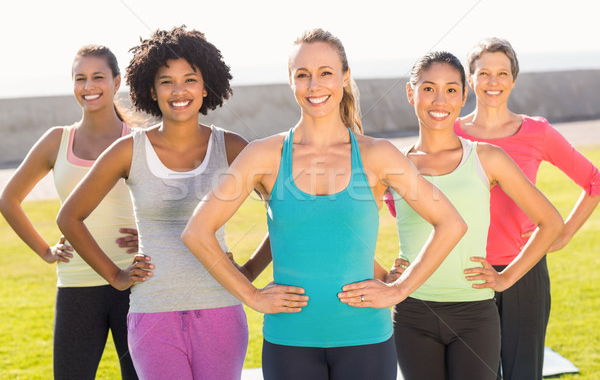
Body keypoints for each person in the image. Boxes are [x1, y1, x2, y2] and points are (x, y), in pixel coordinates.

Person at [181, 28, 468, 380]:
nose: (314, 85)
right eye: (303, 75)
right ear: (291, 81)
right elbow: (197, 231)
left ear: (345, 78)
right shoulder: (264, 155)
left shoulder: (377, 155)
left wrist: (400, 289)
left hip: (365, 338)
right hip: (289, 341)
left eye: (326, 72)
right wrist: (252, 296)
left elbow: (451, 223)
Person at [56, 26, 270, 380]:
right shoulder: (129, 150)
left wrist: (249, 271)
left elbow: (283, 212)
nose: (179, 91)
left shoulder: (231, 147)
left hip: (221, 309)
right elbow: (70, 217)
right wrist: (116, 275)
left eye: (190, 79)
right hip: (153, 313)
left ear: (206, 86)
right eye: (166, 81)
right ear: (151, 90)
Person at [381, 51, 564, 380]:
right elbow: (345, 225)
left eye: (451, 89)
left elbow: (550, 222)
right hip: (413, 314)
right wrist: (384, 275)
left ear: (464, 96)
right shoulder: (393, 163)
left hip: (475, 315)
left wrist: (506, 278)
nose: (440, 100)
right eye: (428, 88)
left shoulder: (487, 158)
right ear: (410, 93)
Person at [454, 37, 600, 380]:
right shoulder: (450, 133)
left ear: (513, 80)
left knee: (523, 374)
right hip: (465, 272)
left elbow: (594, 181)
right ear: (470, 79)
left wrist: (561, 236)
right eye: (484, 73)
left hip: (525, 271)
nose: (493, 82)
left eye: (502, 73)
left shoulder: (536, 132)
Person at [0, 45, 139, 379]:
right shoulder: (57, 141)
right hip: (77, 284)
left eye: (97, 77)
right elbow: (8, 200)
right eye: (80, 78)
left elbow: (176, 203)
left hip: (135, 284)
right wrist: (47, 252)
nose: (88, 86)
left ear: (116, 81)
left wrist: (149, 236)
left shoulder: (139, 141)